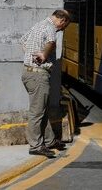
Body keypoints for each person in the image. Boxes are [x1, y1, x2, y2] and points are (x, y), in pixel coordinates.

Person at [19, 10, 70, 158]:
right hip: (38, 75)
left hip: (28, 73)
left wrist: (29, 56)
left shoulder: (38, 25)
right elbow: (51, 42)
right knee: (37, 112)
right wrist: (43, 55)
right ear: (62, 21)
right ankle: (35, 146)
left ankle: (49, 140)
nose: (61, 29)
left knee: (43, 109)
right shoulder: (50, 28)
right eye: (63, 27)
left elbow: (22, 41)